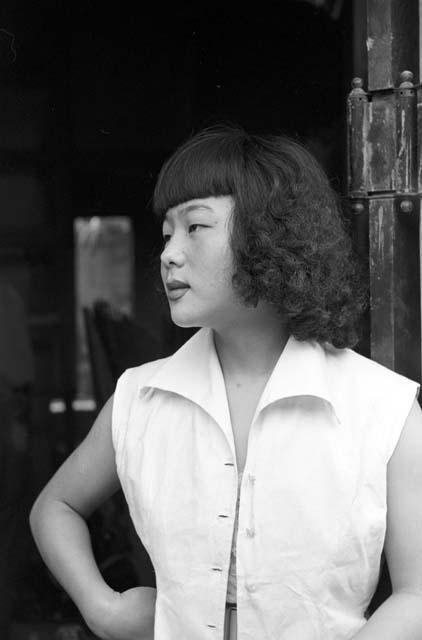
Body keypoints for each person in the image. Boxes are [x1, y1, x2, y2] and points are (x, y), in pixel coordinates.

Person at [30, 126, 422, 640]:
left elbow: (416, 594)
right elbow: (54, 508)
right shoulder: (139, 397)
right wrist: (102, 607)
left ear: (269, 235)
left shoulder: (384, 407)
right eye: (167, 232)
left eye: (195, 227)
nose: (169, 253)